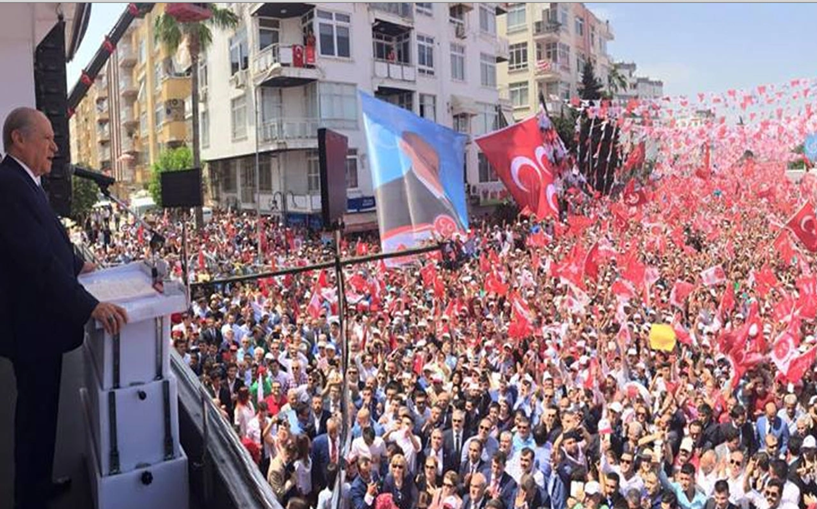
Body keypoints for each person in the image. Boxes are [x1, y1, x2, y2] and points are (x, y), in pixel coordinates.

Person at [0, 107, 129, 509]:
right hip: (31, 329)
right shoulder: (8, 185)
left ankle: (37, 484)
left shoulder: (25, 182)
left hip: (40, 326)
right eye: (47, 138)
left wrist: (77, 264)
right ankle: (29, 497)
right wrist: (90, 305)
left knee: (42, 412)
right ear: (18, 139)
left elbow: (50, 240)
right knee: (34, 416)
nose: (55, 147)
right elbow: (36, 262)